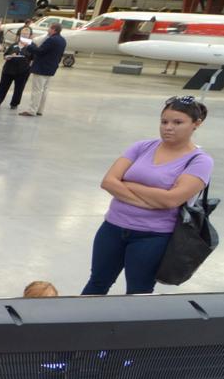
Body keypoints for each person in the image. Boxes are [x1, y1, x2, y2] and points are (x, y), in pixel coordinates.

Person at [81, 97, 212, 296]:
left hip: (153, 237)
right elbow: (108, 181)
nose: (168, 128)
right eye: (164, 122)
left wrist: (127, 185)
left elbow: (172, 200)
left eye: (178, 123)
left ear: (196, 124)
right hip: (113, 228)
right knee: (97, 283)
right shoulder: (142, 147)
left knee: (138, 292)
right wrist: (152, 202)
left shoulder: (200, 161)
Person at [20, 22, 66, 117]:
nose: (48, 30)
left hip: (41, 68)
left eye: (49, 28)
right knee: (45, 90)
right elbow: (59, 55)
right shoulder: (63, 40)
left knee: (37, 90)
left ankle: (31, 110)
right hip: (51, 69)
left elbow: (40, 51)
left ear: (54, 29)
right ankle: (40, 110)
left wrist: (28, 46)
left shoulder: (51, 40)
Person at [0, 25, 34, 109]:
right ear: (19, 35)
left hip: (22, 71)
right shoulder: (13, 45)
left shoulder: (32, 47)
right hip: (9, 70)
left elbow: (34, 58)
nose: (24, 35)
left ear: (30, 35)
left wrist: (29, 66)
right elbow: (5, 55)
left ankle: (14, 104)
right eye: (23, 33)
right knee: (3, 86)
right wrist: (8, 56)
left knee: (19, 88)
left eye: (27, 34)